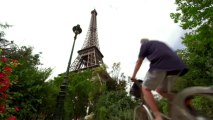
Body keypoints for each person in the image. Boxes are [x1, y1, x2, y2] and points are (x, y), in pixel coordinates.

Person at [131, 38, 188, 120]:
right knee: (160, 90)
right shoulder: (159, 43)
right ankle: (183, 103)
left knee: (145, 89)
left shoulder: (145, 45)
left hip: (160, 65)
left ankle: (158, 116)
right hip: (177, 66)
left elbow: (139, 61)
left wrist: (133, 76)